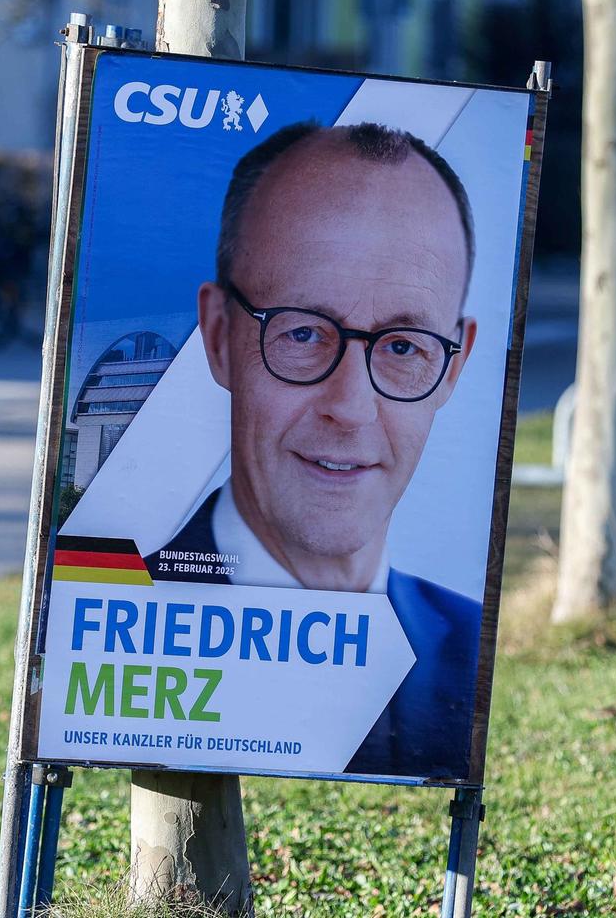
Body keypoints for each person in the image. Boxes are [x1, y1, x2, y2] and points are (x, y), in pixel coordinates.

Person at [148, 121, 483, 779]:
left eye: (404, 346)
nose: (349, 408)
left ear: (453, 367)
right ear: (218, 336)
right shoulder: (121, 611)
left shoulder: (471, 649)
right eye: (303, 333)